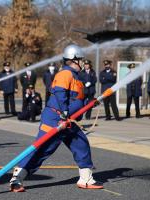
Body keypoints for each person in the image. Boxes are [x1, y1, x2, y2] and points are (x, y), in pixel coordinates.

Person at [9, 44, 104, 193]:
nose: (83, 63)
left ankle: (86, 178)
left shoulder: (76, 77)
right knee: (42, 150)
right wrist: (65, 112)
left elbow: (77, 100)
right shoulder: (65, 73)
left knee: (81, 144)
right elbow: (60, 93)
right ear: (74, 60)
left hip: (69, 121)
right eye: (81, 60)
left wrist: (90, 102)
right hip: (56, 119)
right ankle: (17, 178)